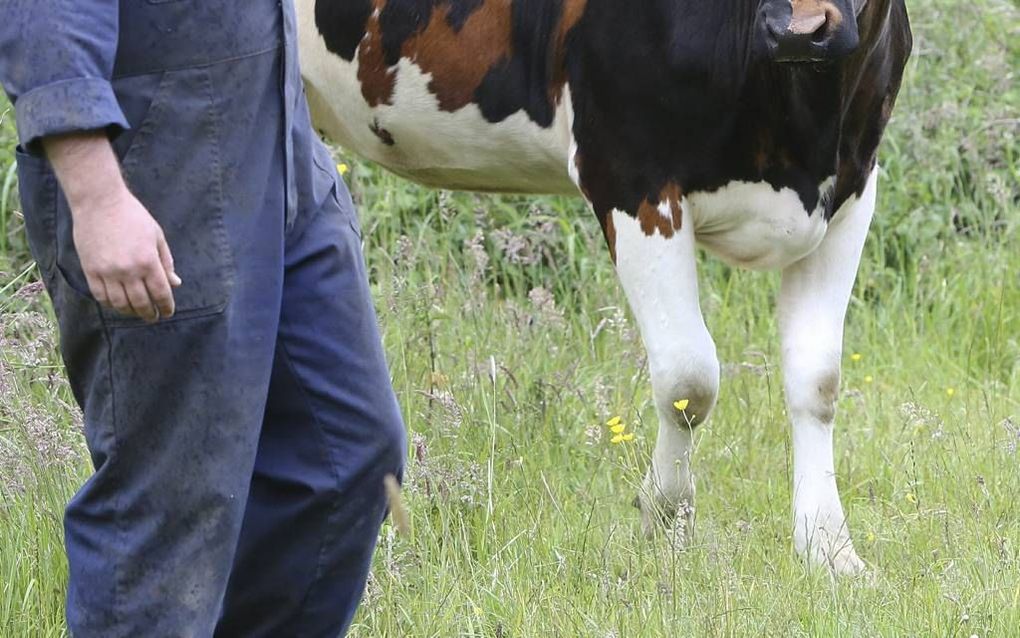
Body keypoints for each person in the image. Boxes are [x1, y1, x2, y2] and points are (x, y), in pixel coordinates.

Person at [0, 1, 406, 635]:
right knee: (170, 510)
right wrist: (96, 193)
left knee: (344, 458)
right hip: (158, 149)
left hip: (274, 124)